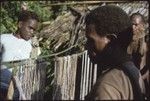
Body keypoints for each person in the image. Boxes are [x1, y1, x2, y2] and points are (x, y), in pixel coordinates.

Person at [84, 5, 146, 100]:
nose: (86, 46)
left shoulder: (106, 87)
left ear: (111, 40)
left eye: (91, 40)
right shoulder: (133, 71)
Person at [0, 10, 39, 100]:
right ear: (20, 24)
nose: (32, 32)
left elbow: (33, 66)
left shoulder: (32, 46)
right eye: (30, 28)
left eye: (34, 30)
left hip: (18, 90)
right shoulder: (3, 38)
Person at [127, 12, 149, 99]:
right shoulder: (127, 42)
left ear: (142, 26)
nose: (133, 28)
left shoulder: (145, 43)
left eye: (136, 25)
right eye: (131, 25)